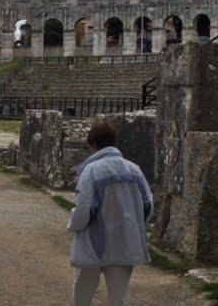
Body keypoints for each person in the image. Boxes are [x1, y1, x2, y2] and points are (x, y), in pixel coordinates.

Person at [67, 119, 152, 306]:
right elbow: (148, 205)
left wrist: (74, 225)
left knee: (82, 293)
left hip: (94, 243)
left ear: (92, 144)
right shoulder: (134, 170)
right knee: (120, 296)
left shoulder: (91, 171)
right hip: (125, 241)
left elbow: (84, 208)